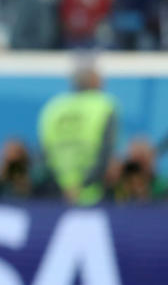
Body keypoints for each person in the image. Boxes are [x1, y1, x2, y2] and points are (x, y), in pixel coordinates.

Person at [37, 62, 117, 205]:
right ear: (95, 81)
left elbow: (44, 155)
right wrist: (82, 185)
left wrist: (64, 187)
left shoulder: (53, 108)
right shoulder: (104, 105)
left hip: (59, 194)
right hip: (93, 194)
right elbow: (105, 153)